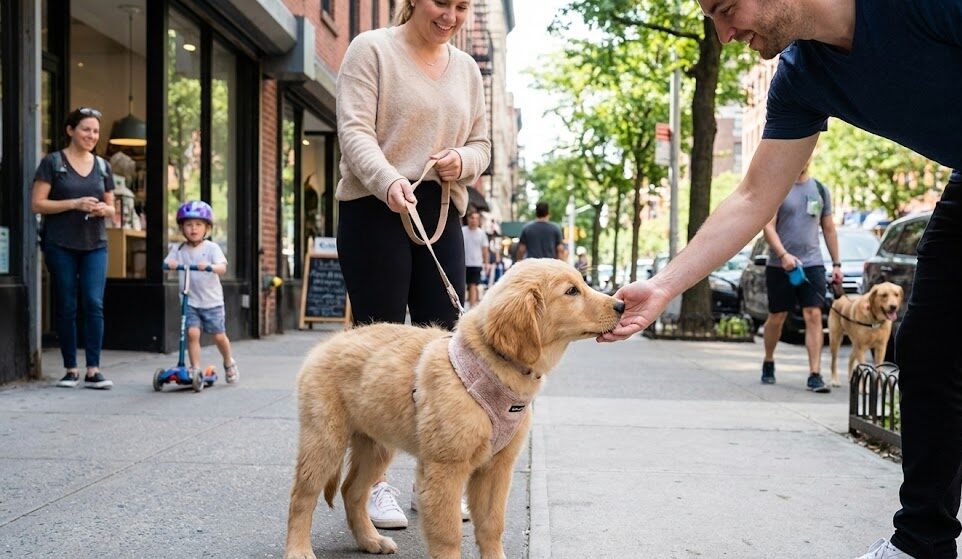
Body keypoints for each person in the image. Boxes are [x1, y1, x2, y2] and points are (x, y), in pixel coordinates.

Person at [602, 1, 961, 557]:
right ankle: (921, 543)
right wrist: (666, 284)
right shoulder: (800, 76)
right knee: (931, 348)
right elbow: (751, 197)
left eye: (726, 9)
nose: (722, 35)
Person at [334, 0, 490, 530]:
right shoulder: (371, 49)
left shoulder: (467, 70)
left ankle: (436, 479)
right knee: (379, 347)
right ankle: (374, 485)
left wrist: (462, 162)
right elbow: (354, 130)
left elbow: (482, 144)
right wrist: (387, 179)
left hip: (441, 208)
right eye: (441, 3)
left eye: (462, 6)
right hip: (375, 205)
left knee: (444, 350)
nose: (450, 15)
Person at [31, 107, 116, 390]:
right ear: (70, 131)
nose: (92, 135)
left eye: (95, 131)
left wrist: (104, 209)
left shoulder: (103, 166)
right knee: (67, 304)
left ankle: (93, 369)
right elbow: (37, 204)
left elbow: (112, 207)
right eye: (85, 129)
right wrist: (74, 203)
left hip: (95, 245)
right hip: (60, 244)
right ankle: (70, 369)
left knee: (94, 302)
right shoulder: (53, 162)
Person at [759, 162, 840, 393]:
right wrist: (783, 255)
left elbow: (829, 229)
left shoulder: (820, 190)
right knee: (777, 316)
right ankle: (769, 359)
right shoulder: (779, 187)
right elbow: (768, 226)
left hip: (812, 263)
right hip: (780, 265)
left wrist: (836, 264)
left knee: (814, 314)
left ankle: (815, 373)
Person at [164, 201, 239, 384]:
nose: (193, 229)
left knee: (219, 336)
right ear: (182, 228)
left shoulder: (211, 248)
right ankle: (195, 368)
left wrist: (211, 267)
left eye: (198, 225)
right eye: (188, 225)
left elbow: (222, 267)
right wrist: (170, 264)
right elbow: (167, 263)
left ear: (207, 228)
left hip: (212, 302)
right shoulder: (179, 249)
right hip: (189, 301)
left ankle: (228, 362)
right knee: (192, 333)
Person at [462, 210, 489, 309]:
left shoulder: (482, 233)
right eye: (472, 218)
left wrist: (486, 264)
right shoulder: (462, 231)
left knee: (472, 285)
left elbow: (485, 250)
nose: (474, 220)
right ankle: (461, 306)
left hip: (476, 264)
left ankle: (471, 308)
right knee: (463, 286)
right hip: (462, 263)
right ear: (468, 219)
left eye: (476, 218)